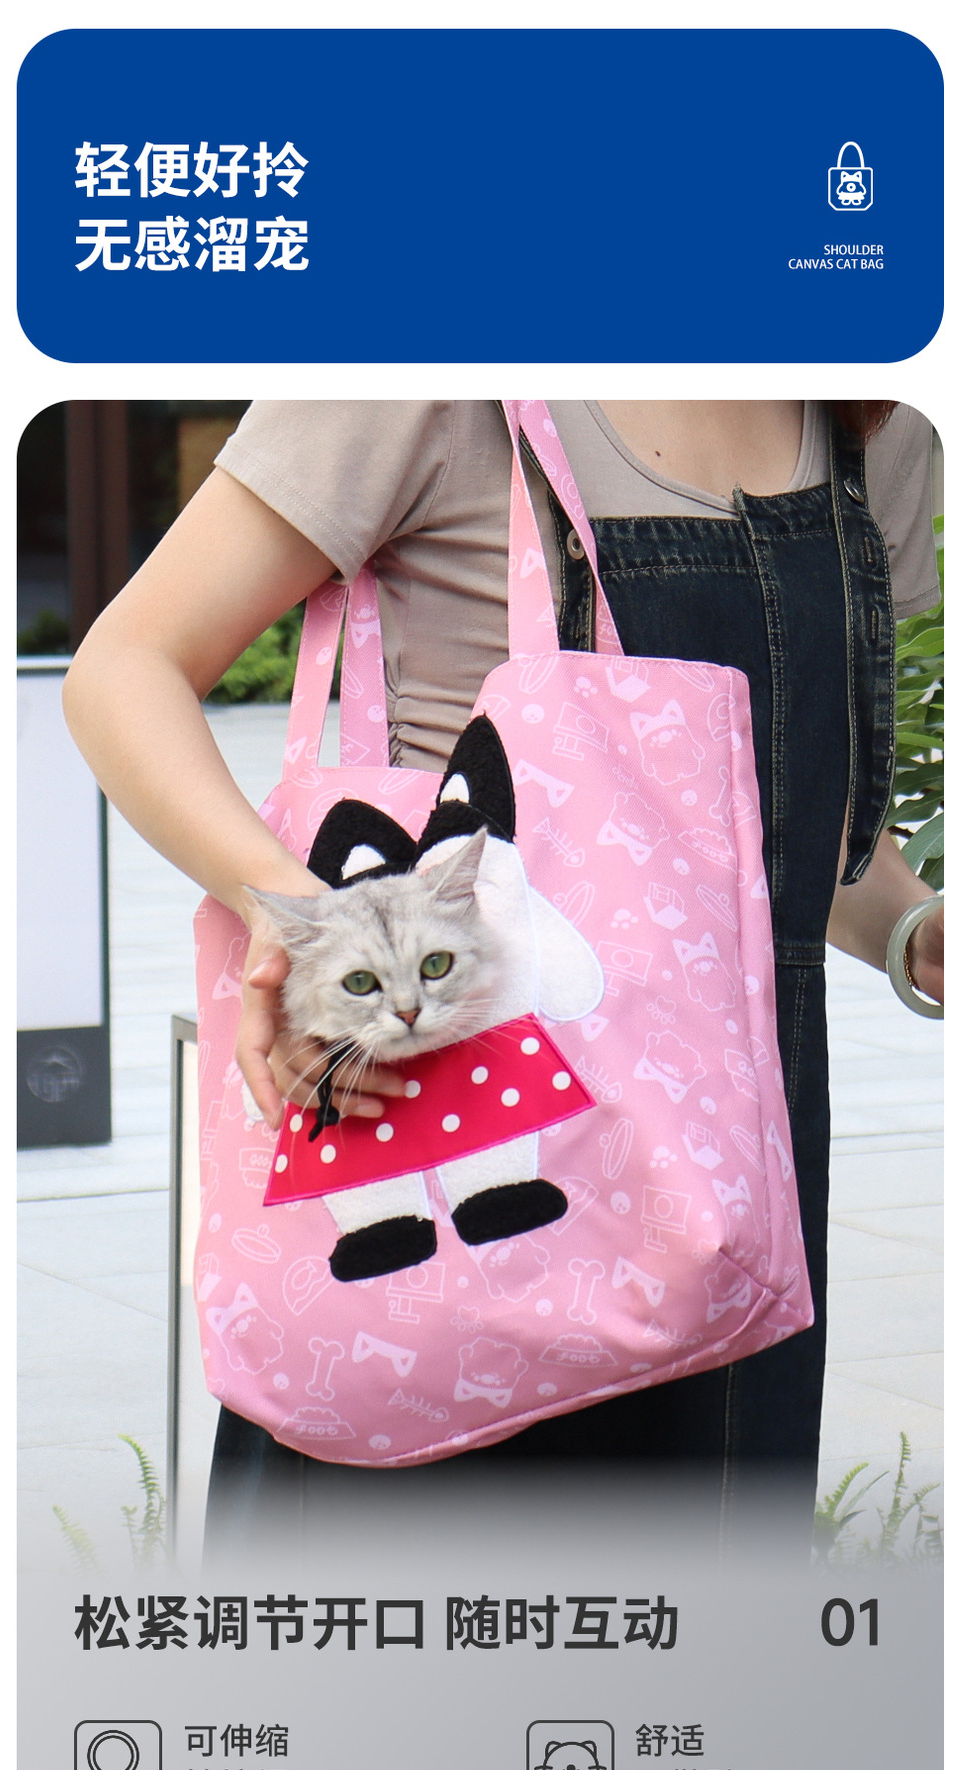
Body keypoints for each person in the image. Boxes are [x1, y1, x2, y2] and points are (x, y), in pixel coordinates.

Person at [63, 399, 942, 1532]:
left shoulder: (877, 416)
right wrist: (300, 921)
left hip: (733, 1171)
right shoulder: (427, 375)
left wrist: (913, 931)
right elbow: (123, 667)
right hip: (452, 1104)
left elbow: (780, 827)